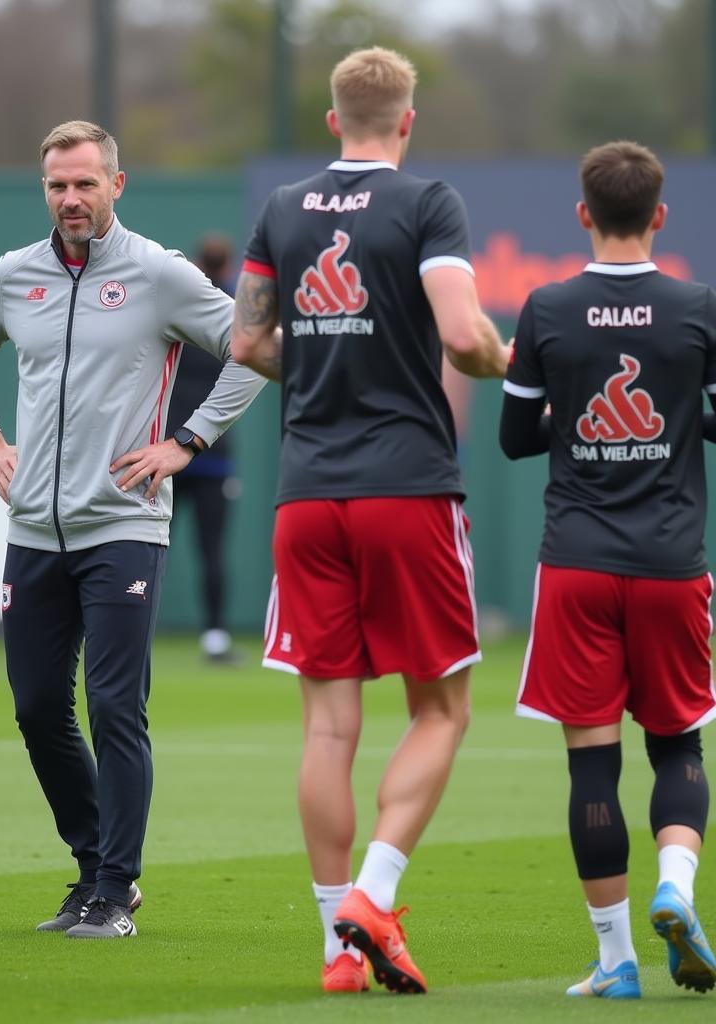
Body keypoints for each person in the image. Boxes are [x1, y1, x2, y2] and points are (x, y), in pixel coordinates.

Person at [231, 46, 509, 995]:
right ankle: (376, 892)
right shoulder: (428, 202)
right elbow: (467, 337)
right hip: (409, 490)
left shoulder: (282, 209)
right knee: (441, 707)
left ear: (332, 120)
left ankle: (335, 951)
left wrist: (313, 371)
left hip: (308, 496)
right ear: (408, 120)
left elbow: (248, 340)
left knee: (328, 730)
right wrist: (517, 362)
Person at [0, 119, 265, 939]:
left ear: (115, 186)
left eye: (86, 183)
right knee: (34, 707)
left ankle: (116, 888)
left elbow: (257, 348)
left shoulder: (159, 273)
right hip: (35, 532)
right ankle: (93, 868)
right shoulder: (13, 275)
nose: (71, 198)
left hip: (124, 523)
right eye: (57, 184)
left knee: (115, 707)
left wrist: (187, 441)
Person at [500, 140, 716, 999]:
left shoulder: (547, 307)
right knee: (678, 746)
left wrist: (570, 414)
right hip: (672, 564)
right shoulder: (698, 306)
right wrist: (672, 415)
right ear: (659, 216)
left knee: (592, 767)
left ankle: (617, 960)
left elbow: (517, 439)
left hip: (579, 567)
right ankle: (678, 887)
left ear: (584, 214)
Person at [165, 233, 240, 663]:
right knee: (210, 549)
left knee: (153, 544)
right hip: (207, 451)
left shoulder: (182, 307)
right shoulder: (234, 313)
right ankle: (215, 637)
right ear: (228, 266)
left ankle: (135, 627)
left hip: (175, 450)